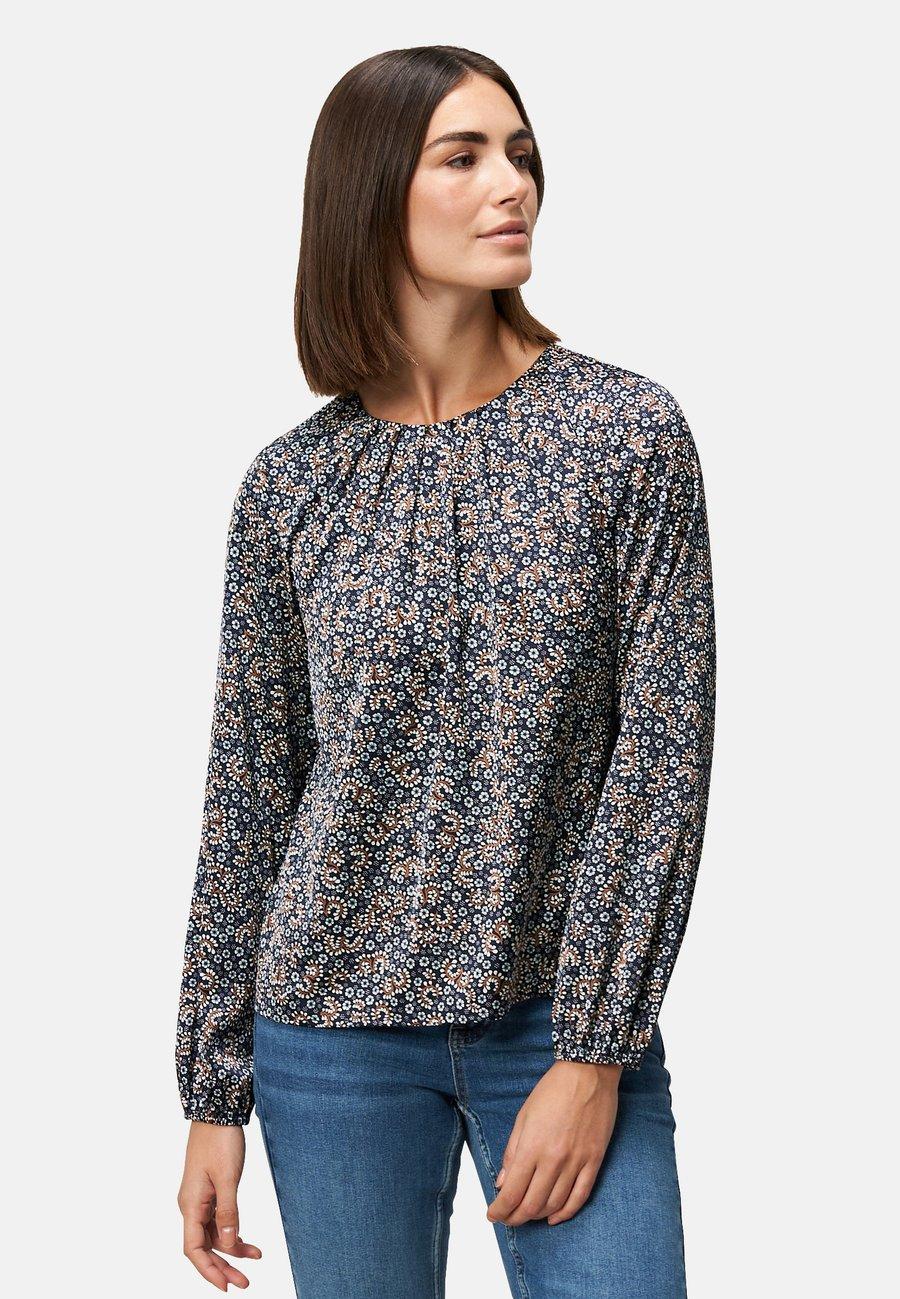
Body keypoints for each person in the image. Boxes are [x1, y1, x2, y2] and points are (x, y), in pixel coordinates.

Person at [175, 44, 716, 1299]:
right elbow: (250, 793)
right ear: (372, 191)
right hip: (328, 1041)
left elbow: (661, 763)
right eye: (462, 157)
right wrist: (212, 1093)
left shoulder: (625, 436)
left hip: (558, 1022)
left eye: (520, 154)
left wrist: (594, 1049)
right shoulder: (292, 486)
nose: (512, 185)